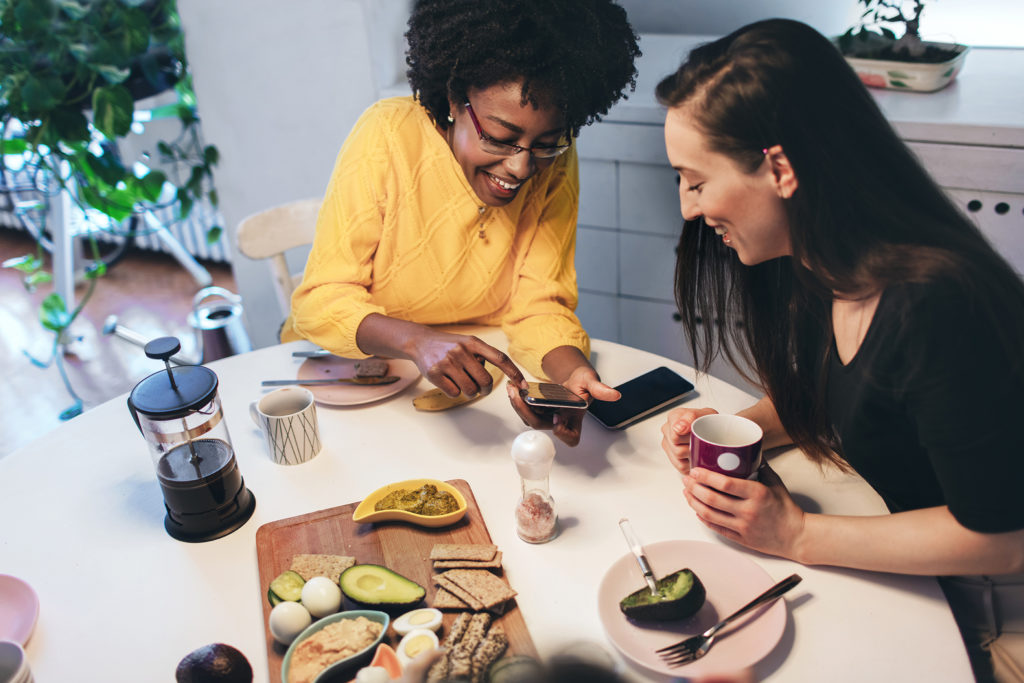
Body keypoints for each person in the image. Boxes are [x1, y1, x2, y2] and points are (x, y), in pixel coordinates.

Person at [655, 19, 1024, 683]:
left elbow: (1001, 535)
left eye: (695, 179)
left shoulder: (935, 302)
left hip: (996, 620)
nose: (687, 207)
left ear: (779, 168)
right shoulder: (823, 263)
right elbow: (860, 399)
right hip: (923, 579)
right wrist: (747, 431)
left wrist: (796, 533)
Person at [282, 0, 640, 446]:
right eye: (501, 138)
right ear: (455, 99)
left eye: (546, 143)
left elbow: (539, 304)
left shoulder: (556, 165)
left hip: (475, 394)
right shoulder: (389, 135)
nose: (521, 167)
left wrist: (572, 373)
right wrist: (418, 342)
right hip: (352, 383)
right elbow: (320, 301)